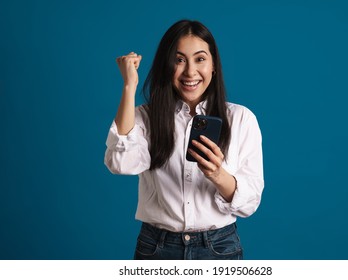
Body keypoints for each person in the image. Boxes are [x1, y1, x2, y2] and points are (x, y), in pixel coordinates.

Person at [104, 19, 264, 260]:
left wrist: (217, 174)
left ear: (213, 66)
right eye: (179, 60)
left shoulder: (241, 119)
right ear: (166, 66)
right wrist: (129, 85)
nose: (190, 72)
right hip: (156, 247)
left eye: (200, 59)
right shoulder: (145, 117)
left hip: (218, 248)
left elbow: (249, 203)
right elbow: (120, 164)